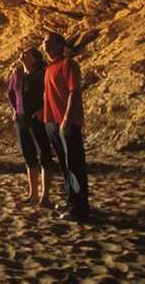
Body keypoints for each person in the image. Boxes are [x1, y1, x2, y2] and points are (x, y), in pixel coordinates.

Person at [41, 32, 90, 221]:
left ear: (59, 44)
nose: (43, 44)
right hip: (52, 122)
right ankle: (71, 202)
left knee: (74, 164)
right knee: (64, 164)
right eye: (43, 41)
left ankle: (80, 208)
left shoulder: (68, 64)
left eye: (47, 41)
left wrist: (67, 119)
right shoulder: (49, 67)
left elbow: (74, 92)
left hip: (66, 122)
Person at [6, 47, 53, 206]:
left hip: (37, 118)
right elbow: (10, 93)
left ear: (34, 58)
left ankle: (44, 197)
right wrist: (14, 110)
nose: (21, 54)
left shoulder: (42, 73)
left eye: (26, 53)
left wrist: (43, 109)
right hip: (21, 119)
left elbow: (50, 92)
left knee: (44, 155)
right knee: (28, 155)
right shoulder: (17, 74)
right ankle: (33, 195)